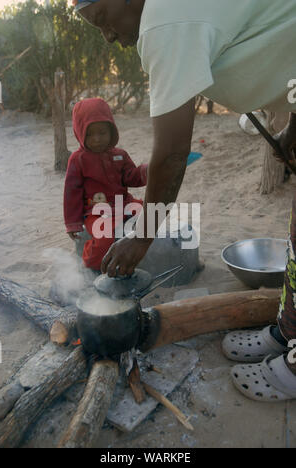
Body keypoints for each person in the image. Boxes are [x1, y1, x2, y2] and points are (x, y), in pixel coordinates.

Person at [74, 0, 296, 402]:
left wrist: (140, 239)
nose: (107, 36)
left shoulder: (164, 20)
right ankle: (289, 332)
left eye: (103, 20)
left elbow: (174, 152)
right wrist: (291, 129)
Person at [64, 97, 147, 271]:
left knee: (151, 212)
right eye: (89, 134)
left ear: (111, 130)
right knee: (105, 238)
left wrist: (146, 171)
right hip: (97, 212)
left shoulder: (120, 155)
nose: (97, 139)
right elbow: (71, 193)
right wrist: (72, 223)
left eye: (102, 133)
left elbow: (131, 178)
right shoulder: (78, 160)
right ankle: (89, 262)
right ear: (80, 133)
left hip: (124, 204)